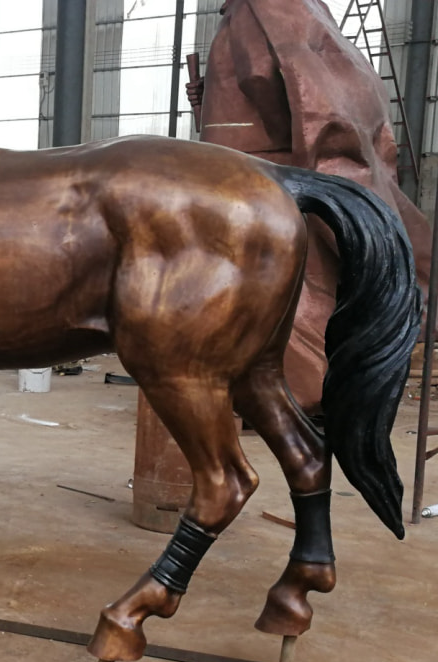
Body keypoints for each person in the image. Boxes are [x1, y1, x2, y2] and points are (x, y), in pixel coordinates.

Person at [186, 0, 431, 414]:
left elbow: (270, 77)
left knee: (281, 292)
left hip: (260, 175)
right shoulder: (266, 9)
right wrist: (210, 97)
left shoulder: (260, 7)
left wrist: (284, 147)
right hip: (249, 172)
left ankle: (292, 393)